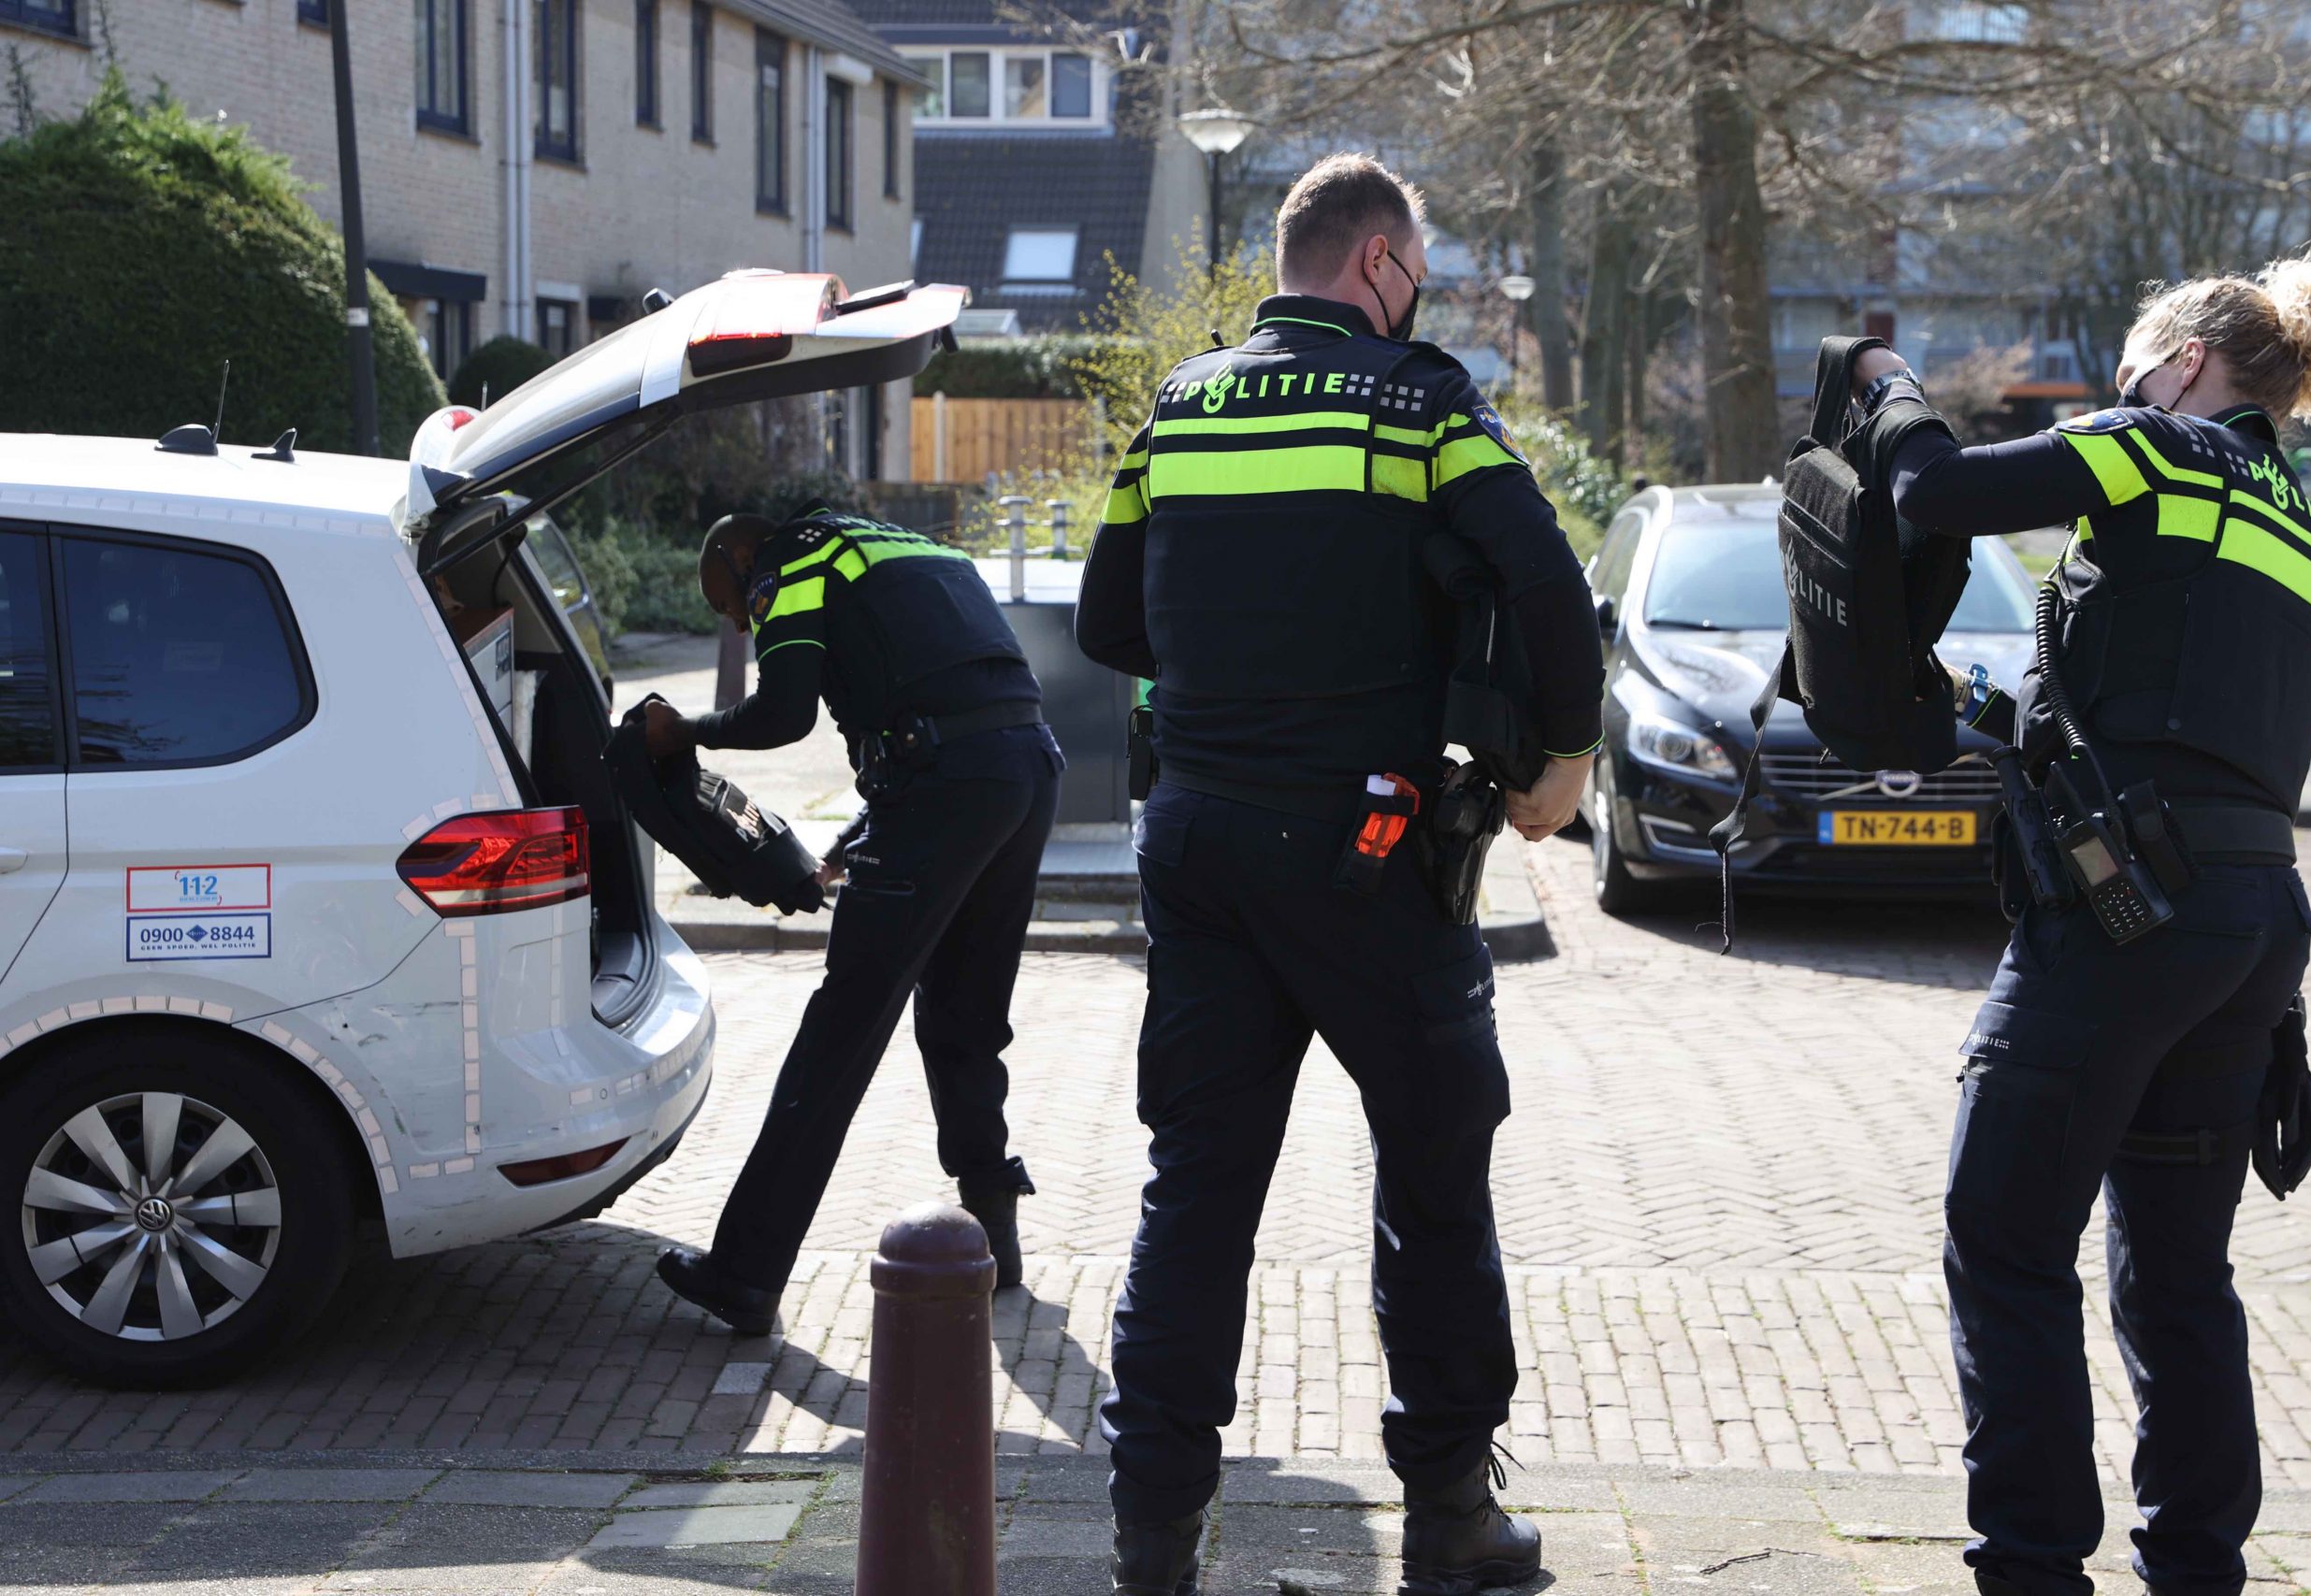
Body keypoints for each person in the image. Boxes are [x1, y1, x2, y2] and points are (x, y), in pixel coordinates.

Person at [1074, 152, 1605, 1596]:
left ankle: (1153, 1533)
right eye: (1417, 264)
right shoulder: (1418, 404)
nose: (1417, 288)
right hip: (1369, 848)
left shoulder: (1180, 404)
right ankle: (1451, 1516)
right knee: (1433, 1172)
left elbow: (1111, 620)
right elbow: (1546, 582)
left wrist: (1243, 662)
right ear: (1379, 261)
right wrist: (1562, 757)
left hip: (1199, 837)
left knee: (1196, 1186)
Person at [1847, 255, 2311, 1596]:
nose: (2124, 385)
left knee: (2005, 1234)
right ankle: (2196, 1566)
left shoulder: (2158, 447)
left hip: (2124, 913)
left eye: (2138, 363)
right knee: (2179, 1272)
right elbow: (2174, 702)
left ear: (2188, 361)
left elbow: (1933, 491)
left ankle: (2031, 1566)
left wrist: (1887, 382)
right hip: (2253, 926)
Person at [645, 503, 1062, 1333]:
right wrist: (849, 844)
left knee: (840, 1031)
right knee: (966, 1018)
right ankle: (995, 1233)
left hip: (944, 786)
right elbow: (948, 704)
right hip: (1026, 772)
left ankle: (744, 1274)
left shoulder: (794, 559)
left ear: (741, 555)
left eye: (731, 602)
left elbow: (784, 713)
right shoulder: (908, 547)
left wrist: (681, 730)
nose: (740, 621)